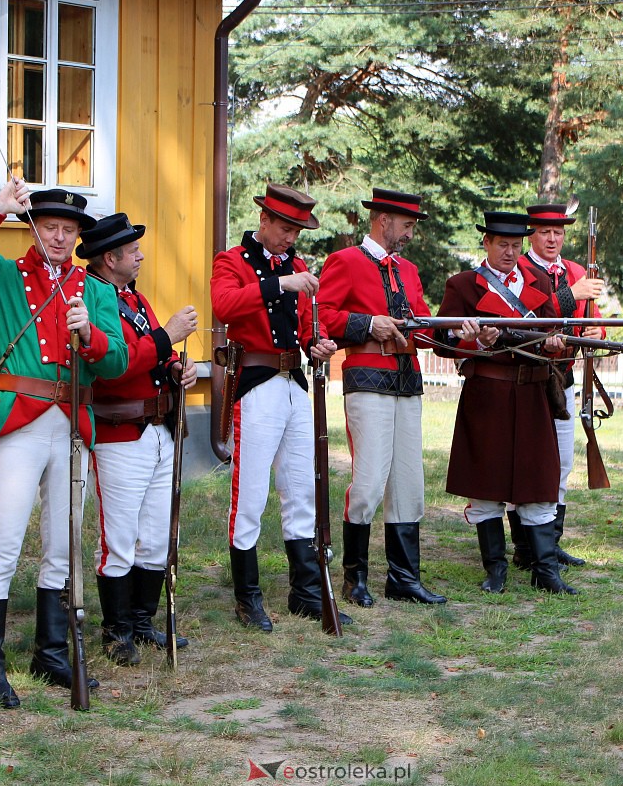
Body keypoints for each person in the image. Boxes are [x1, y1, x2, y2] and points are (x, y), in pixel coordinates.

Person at [0, 181, 127, 707]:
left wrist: (90, 335)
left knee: (63, 544)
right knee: (5, 541)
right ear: (34, 228)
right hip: (21, 418)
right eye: (50, 227)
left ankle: (51, 652)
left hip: (71, 420)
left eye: (69, 230)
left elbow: (114, 364)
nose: (61, 237)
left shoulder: (96, 290)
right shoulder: (0, 273)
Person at [209, 183, 348, 631]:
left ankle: (305, 592)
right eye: (286, 228)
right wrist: (279, 283)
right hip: (256, 383)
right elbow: (224, 305)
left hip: (294, 383)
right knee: (249, 495)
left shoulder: (298, 266)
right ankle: (247, 599)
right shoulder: (232, 261)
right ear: (264, 220)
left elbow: (310, 320)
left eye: (297, 231)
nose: (291, 238)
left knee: (301, 490)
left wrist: (318, 340)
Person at [79, 213, 199, 666]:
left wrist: (174, 367)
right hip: (119, 432)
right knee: (120, 535)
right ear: (110, 258)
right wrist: (167, 336)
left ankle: (143, 620)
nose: (141, 256)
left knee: (154, 533)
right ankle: (117, 630)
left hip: (157, 427)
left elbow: (149, 358)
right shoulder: (93, 299)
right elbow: (117, 365)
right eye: (133, 251)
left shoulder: (135, 298)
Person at [433, 211, 575, 595]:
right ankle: (495, 569)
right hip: (488, 396)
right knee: (486, 483)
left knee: (539, 481)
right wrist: (476, 342)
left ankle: (545, 570)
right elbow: (441, 342)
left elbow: (556, 334)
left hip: (532, 395)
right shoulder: (463, 285)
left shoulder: (539, 281)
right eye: (503, 245)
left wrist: (554, 344)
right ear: (487, 244)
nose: (511, 252)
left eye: (516, 245)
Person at [317, 187, 446, 606]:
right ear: (383, 220)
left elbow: (421, 323)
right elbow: (323, 317)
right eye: (406, 225)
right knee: (370, 480)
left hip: (408, 380)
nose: (410, 233)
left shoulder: (408, 271)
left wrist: (451, 332)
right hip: (368, 377)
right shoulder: (346, 261)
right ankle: (354, 579)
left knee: (409, 481)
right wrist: (369, 323)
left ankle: (404, 578)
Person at [505, 203, 606, 572]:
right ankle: (525, 548)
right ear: (531, 234)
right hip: (527, 378)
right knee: (528, 464)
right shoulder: (518, 271)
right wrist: (571, 294)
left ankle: (550, 544)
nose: (552, 238)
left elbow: (590, 322)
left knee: (562, 463)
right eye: (545, 232)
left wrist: (596, 332)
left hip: (563, 377)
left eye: (558, 232)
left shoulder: (575, 271)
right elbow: (529, 316)